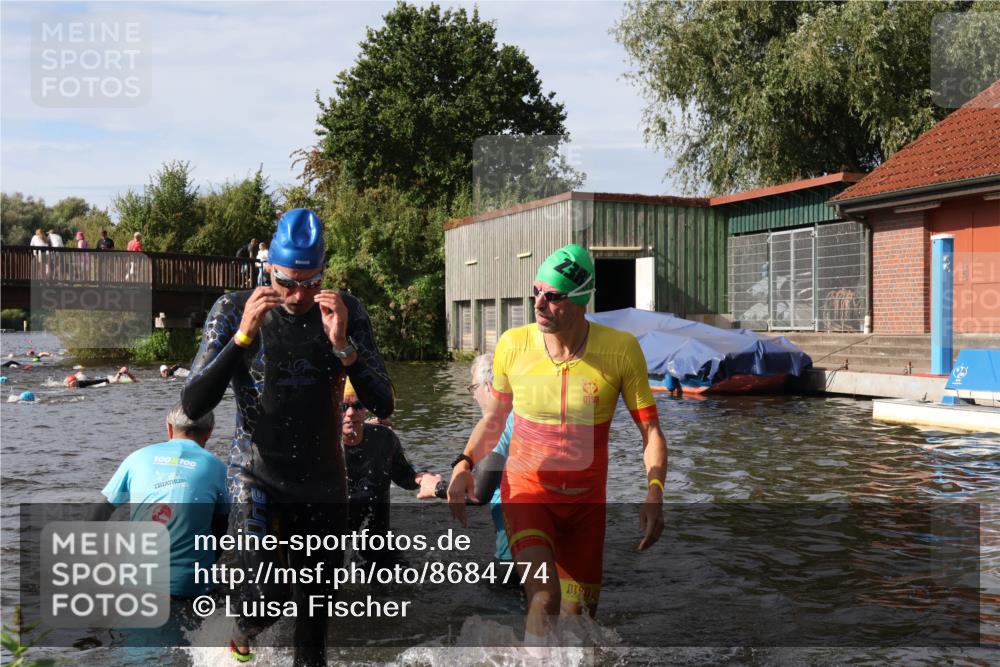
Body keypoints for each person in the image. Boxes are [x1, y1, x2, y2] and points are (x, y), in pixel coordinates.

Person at [181, 208, 394, 666]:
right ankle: (238, 634)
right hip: (256, 474)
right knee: (264, 599)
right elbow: (194, 404)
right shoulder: (233, 309)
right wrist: (241, 339)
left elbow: (384, 403)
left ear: (323, 273)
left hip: (323, 482)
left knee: (313, 629)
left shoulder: (346, 311)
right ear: (269, 269)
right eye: (287, 283)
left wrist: (344, 347)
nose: (299, 296)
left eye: (312, 283)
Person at [447, 243, 667, 652]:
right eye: (536, 291)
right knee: (544, 596)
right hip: (528, 491)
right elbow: (494, 419)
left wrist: (654, 492)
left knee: (578, 622)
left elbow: (651, 432)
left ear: (581, 300)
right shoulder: (514, 345)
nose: (539, 303)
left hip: (586, 506)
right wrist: (463, 463)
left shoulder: (619, 351)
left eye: (552, 296)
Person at [93, 403, 228, 598]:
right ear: (209, 432)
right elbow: (220, 530)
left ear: (169, 427)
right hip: (189, 587)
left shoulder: (137, 458)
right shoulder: (219, 468)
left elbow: (98, 514)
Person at [419, 353, 513, 563]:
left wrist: (436, 487)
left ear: (489, 387)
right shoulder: (525, 416)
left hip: (516, 551)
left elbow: (478, 492)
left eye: (473, 388)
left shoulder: (499, 425)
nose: (473, 397)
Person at [342, 378, 435, 565]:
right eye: (343, 407)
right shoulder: (319, 445)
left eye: (358, 406)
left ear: (366, 408)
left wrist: (423, 478)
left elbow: (405, 474)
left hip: (377, 542)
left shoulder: (383, 438)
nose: (351, 413)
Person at [65, 366, 137, 388]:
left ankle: (122, 370)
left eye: (76, 383)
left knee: (115, 381)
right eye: (73, 384)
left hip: (95, 379)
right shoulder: (69, 385)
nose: (75, 386)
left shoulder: (82, 383)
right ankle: (79, 373)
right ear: (69, 385)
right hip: (81, 377)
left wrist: (105, 380)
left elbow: (94, 382)